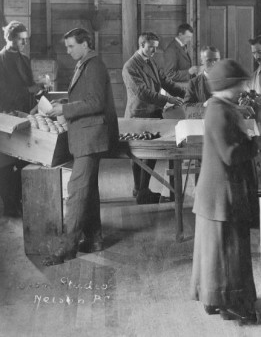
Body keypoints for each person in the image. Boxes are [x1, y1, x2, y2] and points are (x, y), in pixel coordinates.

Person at [189, 59, 261, 323]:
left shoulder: (221, 106)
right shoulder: (220, 111)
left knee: (215, 252)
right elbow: (230, 154)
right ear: (228, 86)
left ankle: (214, 299)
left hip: (217, 193)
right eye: (240, 84)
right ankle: (236, 305)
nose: (243, 88)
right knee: (230, 253)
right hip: (223, 194)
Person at [43, 28, 119, 266]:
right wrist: (65, 103)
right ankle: (94, 239)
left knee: (76, 193)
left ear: (85, 44)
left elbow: (95, 102)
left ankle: (65, 248)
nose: (68, 51)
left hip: (90, 137)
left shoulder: (93, 65)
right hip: (86, 136)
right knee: (88, 191)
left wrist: (64, 110)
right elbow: (87, 97)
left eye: (71, 46)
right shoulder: (84, 63)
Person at [122, 32, 185, 204]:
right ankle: (142, 192)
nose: (154, 51)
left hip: (152, 113)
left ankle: (141, 190)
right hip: (139, 115)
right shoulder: (130, 66)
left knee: (149, 155)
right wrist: (168, 99)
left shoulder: (151, 61)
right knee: (141, 155)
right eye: (151, 47)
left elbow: (166, 82)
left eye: (156, 48)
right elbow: (142, 93)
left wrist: (186, 94)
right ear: (141, 45)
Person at [0, 21, 43, 217]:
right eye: (20, 39)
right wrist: (29, 89)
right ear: (9, 38)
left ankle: (22, 202)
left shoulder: (25, 59)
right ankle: (10, 206)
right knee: (6, 165)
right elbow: (4, 92)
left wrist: (39, 88)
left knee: (27, 161)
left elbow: (29, 86)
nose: (25, 43)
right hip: (7, 117)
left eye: (26, 39)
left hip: (27, 116)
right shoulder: (1, 60)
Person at [183, 47, 220, 119]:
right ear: (202, 61)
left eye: (216, 60)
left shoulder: (227, 81)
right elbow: (186, 107)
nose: (213, 63)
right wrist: (204, 104)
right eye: (209, 60)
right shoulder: (194, 83)